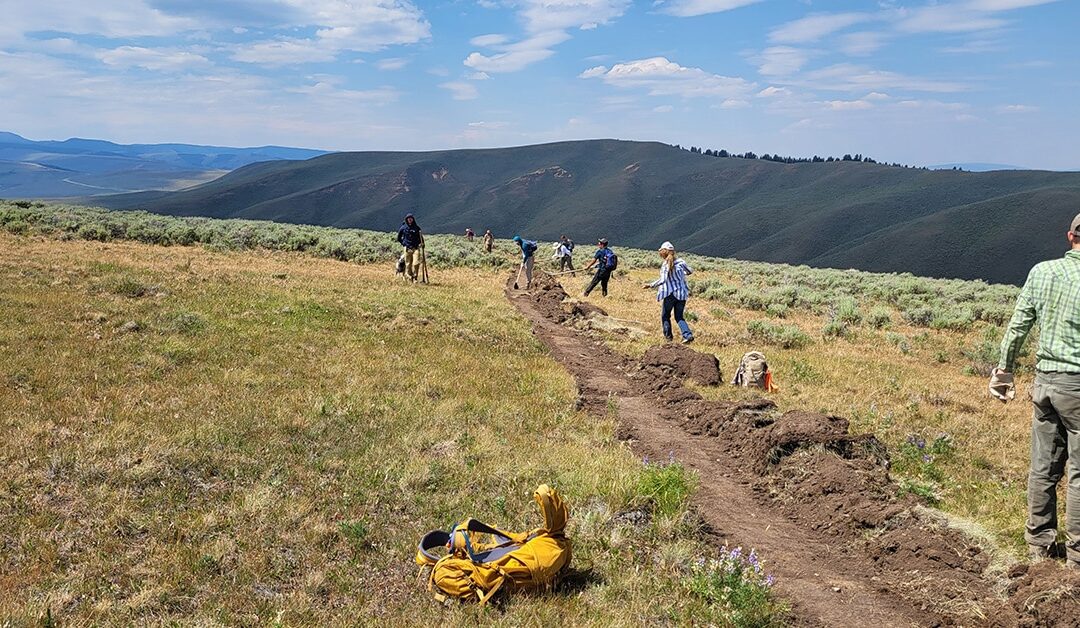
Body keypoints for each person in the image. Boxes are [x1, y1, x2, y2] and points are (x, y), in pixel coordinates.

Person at [991, 211, 1080, 569]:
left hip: (1045, 382)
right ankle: (1076, 557)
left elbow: (1018, 326)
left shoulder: (1042, 272)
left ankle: (1039, 547)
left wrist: (1004, 371)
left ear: (1070, 236)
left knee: (1043, 467)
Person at [643, 241, 694, 343]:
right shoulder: (681, 262)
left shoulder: (665, 265)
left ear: (663, 252)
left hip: (670, 294)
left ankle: (668, 338)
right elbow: (690, 271)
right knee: (679, 317)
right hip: (682, 294)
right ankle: (687, 335)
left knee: (665, 316)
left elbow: (663, 280)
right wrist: (681, 274)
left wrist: (651, 285)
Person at [396, 213, 424, 282]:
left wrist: (422, 244)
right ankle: (410, 277)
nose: (410, 220)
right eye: (408, 219)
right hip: (407, 248)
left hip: (416, 248)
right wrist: (403, 243)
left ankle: (415, 276)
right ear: (407, 219)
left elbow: (421, 237)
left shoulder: (417, 228)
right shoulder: (403, 227)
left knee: (416, 263)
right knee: (408, 264)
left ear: (413, 219)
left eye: (411, 218)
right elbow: (399, 237)